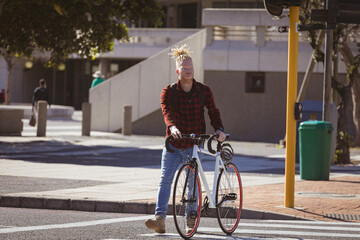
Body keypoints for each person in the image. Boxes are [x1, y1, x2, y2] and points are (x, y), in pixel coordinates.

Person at [145, 44, 226, 234]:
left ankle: (191, 218)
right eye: (184, 69)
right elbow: (167, 113)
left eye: (191, 68)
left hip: (194, 144)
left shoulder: (203, 90)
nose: (188, 71)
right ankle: (160, 219)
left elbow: (213, 111)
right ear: (177, 71)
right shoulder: (168, 92)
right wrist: (172, 127)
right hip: (174, 145)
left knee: (192, 182)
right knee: (165, 180)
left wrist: (219, 129)